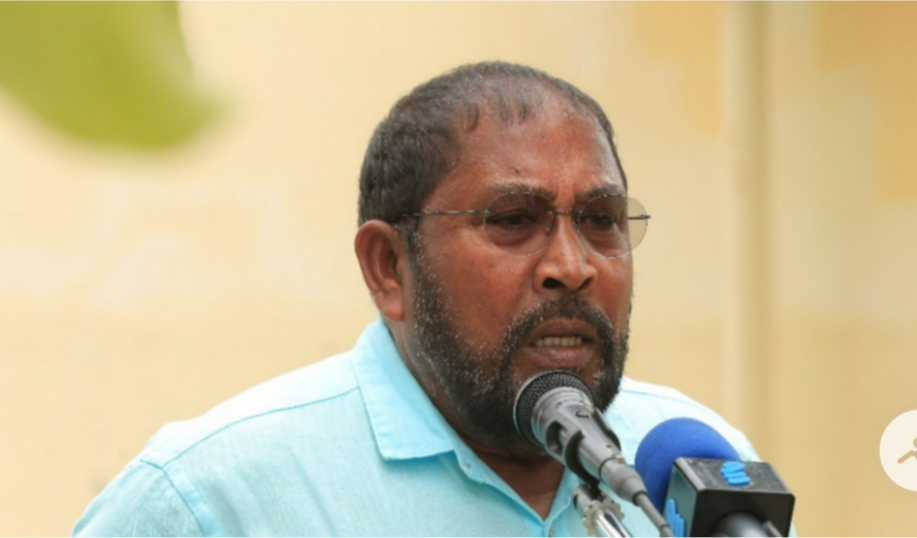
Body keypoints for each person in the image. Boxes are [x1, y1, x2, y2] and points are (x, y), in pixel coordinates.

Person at [73, 61, 771, 537]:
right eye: (512, 220)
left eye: (600, 220)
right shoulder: (212, 498)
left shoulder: (696, 470)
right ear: (388, 268)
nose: (571, 265)